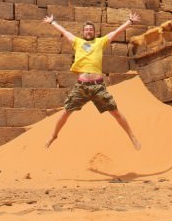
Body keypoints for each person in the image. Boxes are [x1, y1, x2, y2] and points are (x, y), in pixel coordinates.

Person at [42, 12, 142, 150]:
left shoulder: (100, 42)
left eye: (91, 29)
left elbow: (116, 32)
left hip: (98, 87)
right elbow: (64, 32)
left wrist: (130, 21)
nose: (89, 31)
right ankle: (54, 135)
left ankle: (132, 136)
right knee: (66, 111)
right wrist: (52, 22)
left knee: (115, 112)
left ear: (94, 32)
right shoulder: (77, 42)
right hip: (81, 86)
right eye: (86, 29)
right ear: (83, 32)